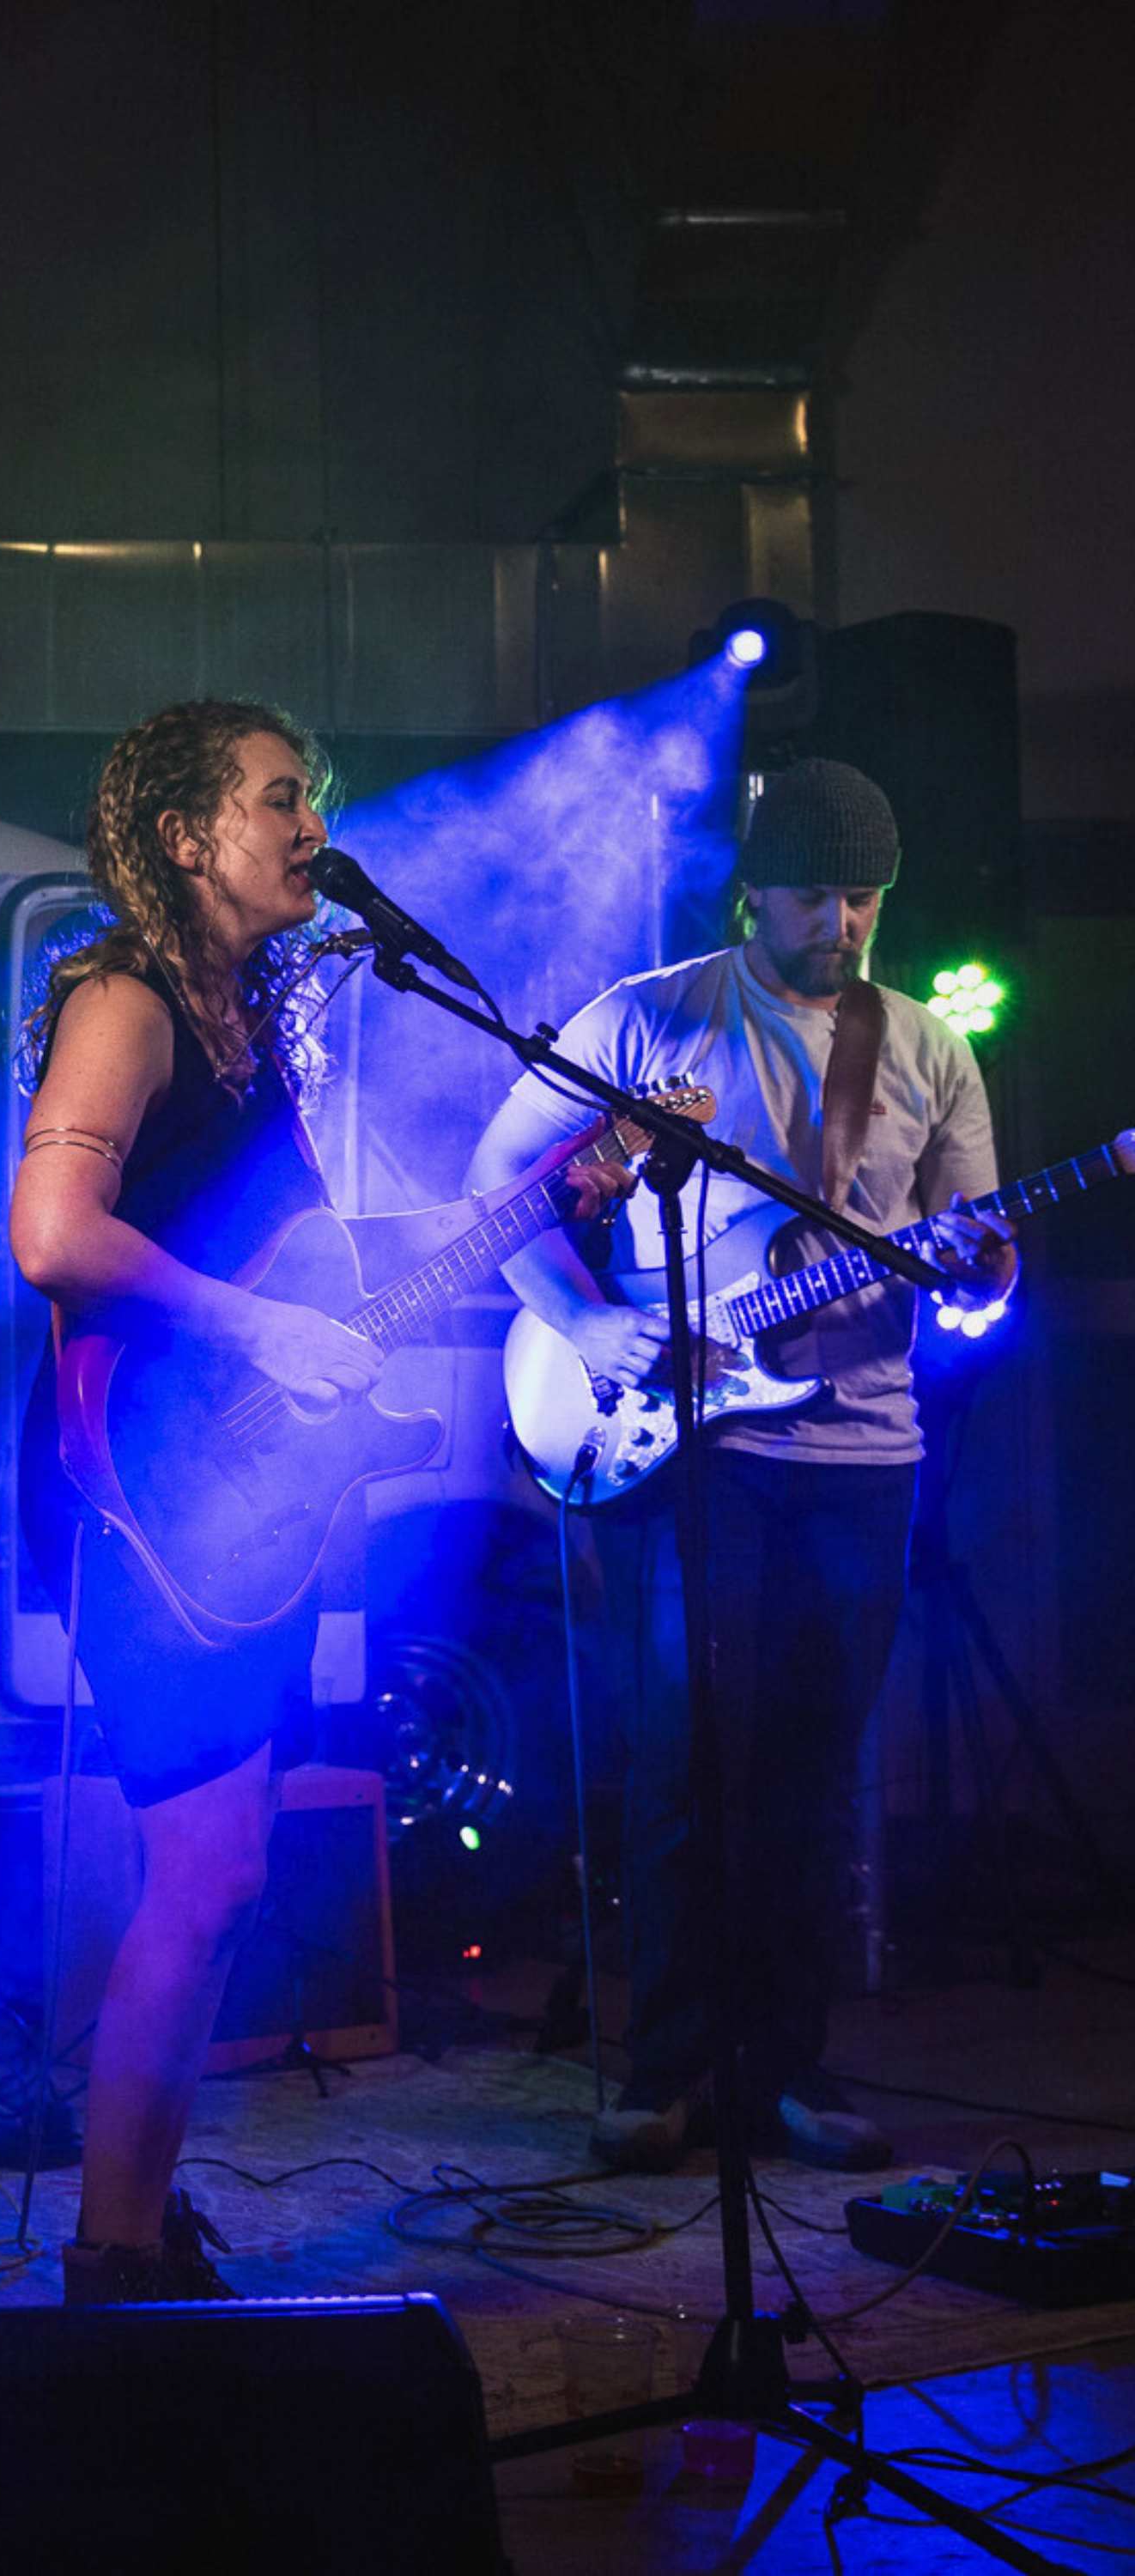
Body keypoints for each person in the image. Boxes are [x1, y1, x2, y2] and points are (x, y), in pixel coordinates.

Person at [465, 756, 1014, 2173]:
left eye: (867, 897)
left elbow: (975, 1257)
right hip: (687, 1451)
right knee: (683, 1760)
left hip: (865, 1450)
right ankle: (667, 2070)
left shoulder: (929, 1048)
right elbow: (495, 1183)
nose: (846, 922)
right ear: (753, 893)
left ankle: (788, 2071)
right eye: (818, 894)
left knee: (815, 1776)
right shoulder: (653, 1017)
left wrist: (986, 1270)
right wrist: (585, 1318)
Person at [9, 699, 385, 2303]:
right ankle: (113, 2258)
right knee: (212, 1870)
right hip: (135, 1491)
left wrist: (548, 1192)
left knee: (220, 1873)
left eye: (316, 799)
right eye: (280, 798)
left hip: (228, 1496)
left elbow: (290, 1263)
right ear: (183, 836)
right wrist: (258, 1332)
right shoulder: (128, 1000)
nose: (311, 827)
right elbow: (51, 1233)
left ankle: (138, 2230)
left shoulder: (243, 1023)